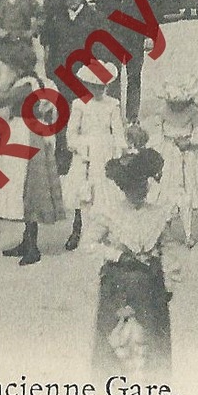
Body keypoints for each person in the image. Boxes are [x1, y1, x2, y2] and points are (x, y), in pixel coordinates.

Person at [88, 149, 184, 379]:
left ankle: (154, 385)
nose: (139, 190)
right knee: (114, 338)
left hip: (150, 283)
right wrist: (118, 256)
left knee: (152, 338)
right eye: (133, 186)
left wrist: (169, 279)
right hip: (118, 282)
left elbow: (168, 248)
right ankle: (109, 385)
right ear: (124, 188)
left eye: (142, 184)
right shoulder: (110, 213)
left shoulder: (158, 214)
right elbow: (89, 243)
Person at [63, 60, 127, 252]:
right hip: (86, 152)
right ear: (87, 85)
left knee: (107, 191)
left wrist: (119, 150)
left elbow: (118, 132)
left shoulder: (112, 105)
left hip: (106, 151)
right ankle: (78, 230)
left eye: (102, 86)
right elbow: (71, 134)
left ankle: (108, 230)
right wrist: (82, 147)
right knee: (83, 191)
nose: (99, 90)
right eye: (94, 86)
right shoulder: (79, 105)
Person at [0, 89, 67, 267]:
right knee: (22, 188)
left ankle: (32, 247)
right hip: (21, 133)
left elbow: (3, 98)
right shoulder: (24, 81)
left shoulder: (29, 83)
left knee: (31, 188)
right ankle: (26, 241)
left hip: (31, 135)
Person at [95, 0, 149, 124]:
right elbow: (101, 12)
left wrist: (149, 35)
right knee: (113, 77)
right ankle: (115, 115)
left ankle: (132, 117)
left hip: (135, 38)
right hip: (113, 38)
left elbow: (148, 11)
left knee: (134, 77)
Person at [156, 76, 198, 246]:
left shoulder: (194, 111)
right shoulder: (164, 111)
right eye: (173, 101)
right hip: (168, 154)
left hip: (187, 155)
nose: (176, 105)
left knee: (186, 194)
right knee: (165, 191)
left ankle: (188, 233)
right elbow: (158, 134)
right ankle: (165, 230)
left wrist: (189, 142)